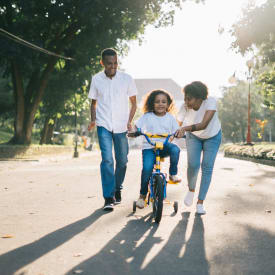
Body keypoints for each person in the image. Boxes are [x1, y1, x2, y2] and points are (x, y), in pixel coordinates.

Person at [88, 48, 137, 211]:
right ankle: (108, 197)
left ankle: (117, 189)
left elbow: (134, 103)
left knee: (122, 161)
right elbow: (93, 103)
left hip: (122, 126)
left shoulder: (126, 79)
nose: (113, 66)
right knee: (107, 160)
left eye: (115, 63)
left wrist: (129, 121)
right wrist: (93, 120)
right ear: (102, 63)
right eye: (109, 64)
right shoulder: (96, 79)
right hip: (103, 125)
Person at [175, 81, 222, 215]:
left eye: (189, 98)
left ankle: (200, 203)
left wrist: (184, 128)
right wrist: (171, 135)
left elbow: (204, 124)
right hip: (193, 137)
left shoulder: (210, 102)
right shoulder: (184, 107)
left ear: (200, 98)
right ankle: (191, 190)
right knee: (193, 165)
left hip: (212, 136)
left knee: (207, 167)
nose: (186, 102)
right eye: (185, 98)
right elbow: (176, 124)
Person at [131, 89, 181, 209]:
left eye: (163, 102)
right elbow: (136, 126)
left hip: (164, 145)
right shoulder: (147, 116)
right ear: (152, 103)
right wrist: (134, 131)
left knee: (176, 150)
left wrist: (178, 134)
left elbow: (176, 131)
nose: (160, 104)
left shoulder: (170, 118)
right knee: (147, 168)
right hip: (149, 147)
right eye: (157, 101)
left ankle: (172, 174)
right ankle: (142, 196)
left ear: (168, 104)